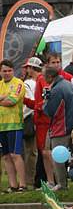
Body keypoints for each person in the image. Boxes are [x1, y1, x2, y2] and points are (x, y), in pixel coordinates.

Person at [43, 66, 73, 191]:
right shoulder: (67, 83)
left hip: (62, 127)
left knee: (57, 156)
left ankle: (61, 184)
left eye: (44, 76)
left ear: (49, 76)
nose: (43, 78)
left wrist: (45, 99)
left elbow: (50, 111)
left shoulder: (56, 90)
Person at [0, 60, 26, 192]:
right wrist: (2, 97)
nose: (7, 73)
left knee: (15, 154)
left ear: (13, 71)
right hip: (1, 126)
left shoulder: (18, 83)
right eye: (4, 71)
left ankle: (22, 184)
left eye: (9, 70)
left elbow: (12, 101)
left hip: (14, 124)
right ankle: (13, 185)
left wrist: (4, 98)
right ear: (0, 72)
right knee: (6, 156)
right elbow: (6, 100)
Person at [21, 58, 41, 188]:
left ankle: (30, 180)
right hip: (35, 119)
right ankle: (31, 180)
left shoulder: (28, 83)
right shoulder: (39, 81)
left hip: (31, 119)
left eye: (27, 67)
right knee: (33, 152)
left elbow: (29, 103)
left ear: (30, 68)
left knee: (30, 152)